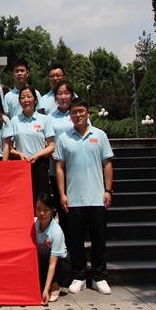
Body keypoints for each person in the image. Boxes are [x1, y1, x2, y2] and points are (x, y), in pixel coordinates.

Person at [54, 99, 114, 296]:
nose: (78, 115)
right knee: (75, 240)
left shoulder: (100, 135)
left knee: (99, 239)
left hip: (97, 197)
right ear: (70, 116)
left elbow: (107, 163)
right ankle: (79, 276)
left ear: (88, 113)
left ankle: (99, 276)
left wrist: (108, 190)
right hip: (74, 198)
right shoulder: (64, 138)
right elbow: (59, 167)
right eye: (74, 112)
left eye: (81, 111)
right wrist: (62, 194)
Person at [3, 84, 55, 202]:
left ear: (35, 100)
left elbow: (52, 145)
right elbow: (9, 147)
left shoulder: (44, 119)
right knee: (23, 199)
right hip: (21, 165)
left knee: (41, 199)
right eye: (23, 97)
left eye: (29, 97)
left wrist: (37, 155)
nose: (26, 100)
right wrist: (19, 154)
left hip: (40, 164)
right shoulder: (14, 120)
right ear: (19, 101)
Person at [49, 79, 79, 245]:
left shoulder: (78, 114)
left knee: (77, 208)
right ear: (55, 97)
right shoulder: (50, 118)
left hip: (77, 170)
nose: (63, 97)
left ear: (72, 95)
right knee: (63, 208)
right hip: (57, 169)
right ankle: (65, 244)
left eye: (66, 93)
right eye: (59, 94)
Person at [34, 192, 71, 305]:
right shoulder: (33, 223)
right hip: (43, 264)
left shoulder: (56, 231)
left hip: (60, 266)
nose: (41, 213)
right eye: (38, 209)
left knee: (43, 250)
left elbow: (52, 264)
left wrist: (46, 290)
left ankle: (54, 285)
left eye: (46, 210)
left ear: (52, 210)